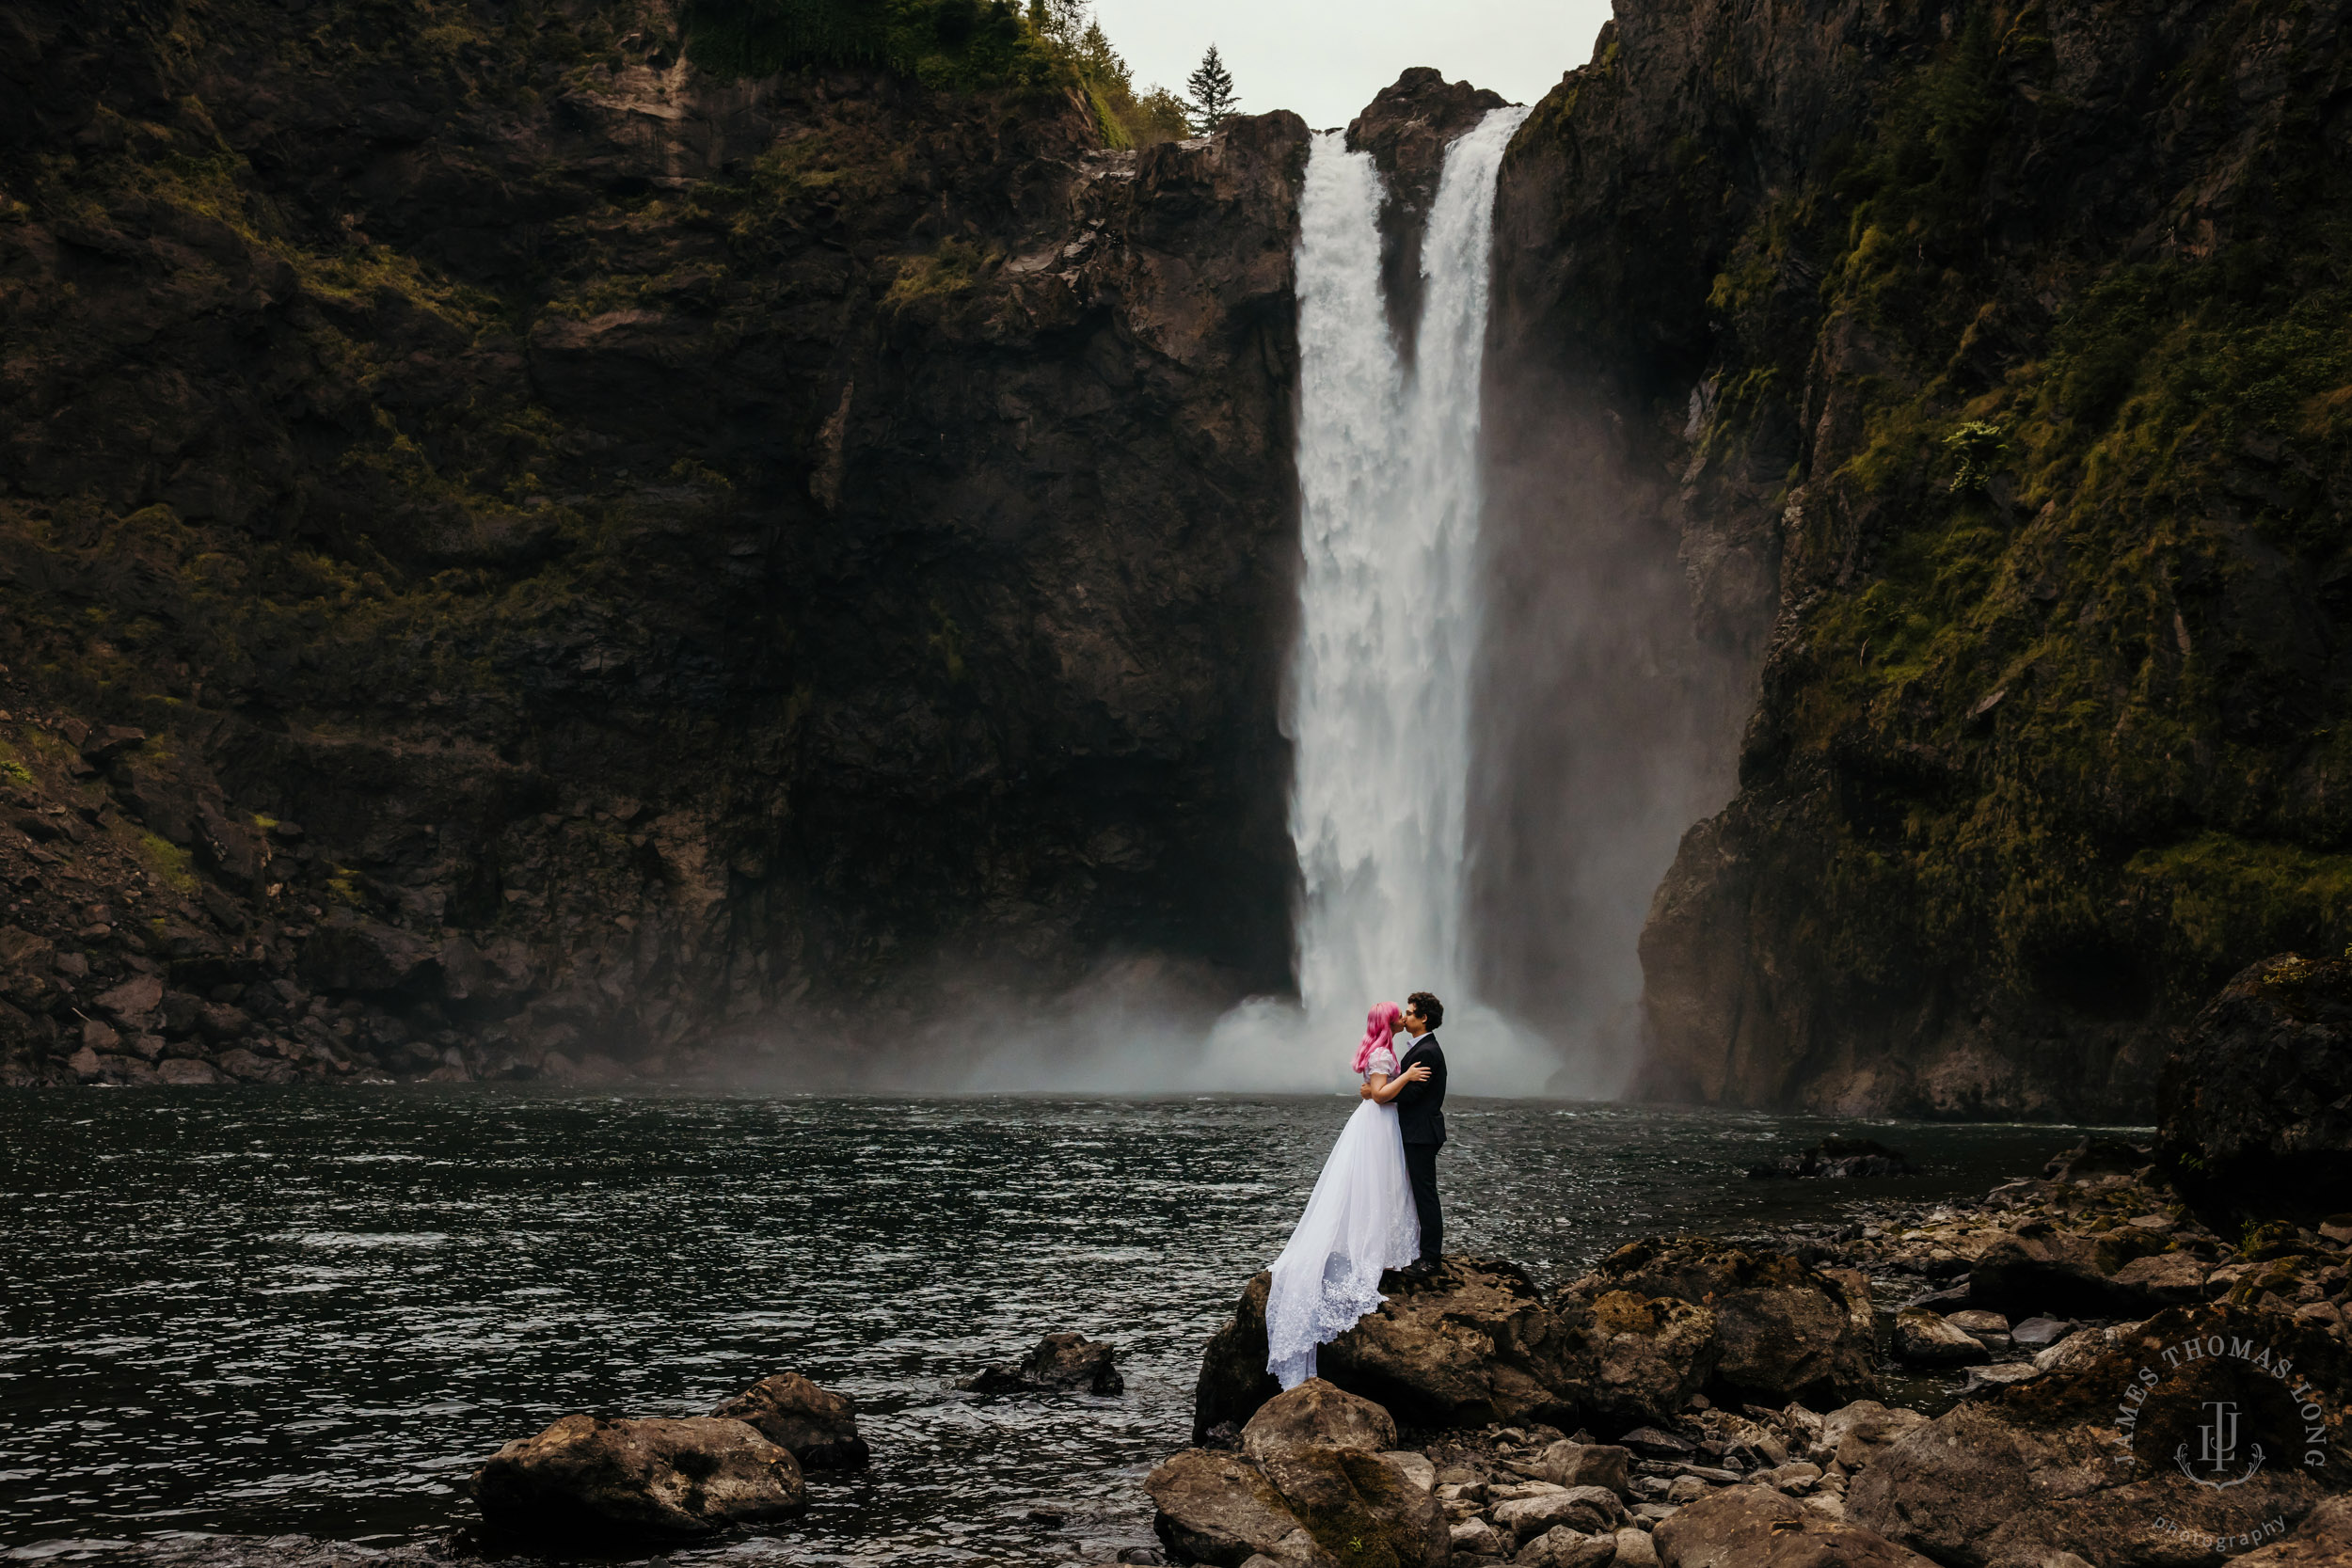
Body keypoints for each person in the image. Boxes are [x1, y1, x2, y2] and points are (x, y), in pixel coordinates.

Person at [1262, 1000, 1432, 1388]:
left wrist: (1376, 1090)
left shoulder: (1382, 1050)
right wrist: (1400, 1081)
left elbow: (1373, 1091)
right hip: (1378, 1124)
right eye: (1398, 1016)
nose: (1402, 1020)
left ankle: (1383, 1246)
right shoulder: (1383, 1053)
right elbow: (1380, 1092)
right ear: (1389, 1023)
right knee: (1374, 1185)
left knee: (1380, 1185)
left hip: (1378, 1123)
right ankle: (1375, 1248)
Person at [1375, 990, 1446, 1275]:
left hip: (1421, 1134)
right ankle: (1419, 1250)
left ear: (1423, 1018)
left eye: (1409, 1012)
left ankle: (1430, 1259)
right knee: (1418, 1192)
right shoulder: (1422, 1048)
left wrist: (1377, 1094)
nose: (1404, 1017)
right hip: (1418, 1132)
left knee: (1425, 1194)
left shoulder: (1427, 1051)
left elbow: (1413, 1094)